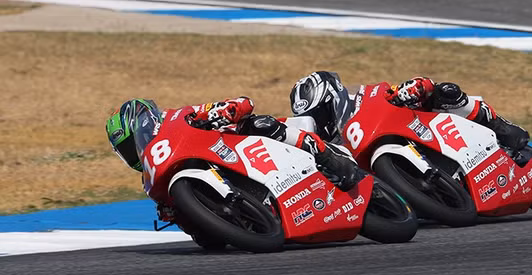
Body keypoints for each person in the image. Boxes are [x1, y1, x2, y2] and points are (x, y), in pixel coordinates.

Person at [105, 96, 363, 198]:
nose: (134, 152)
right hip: (220, 169)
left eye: (132, 143)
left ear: (145, 122)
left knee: (261, 124)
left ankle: (327, 157)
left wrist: (227, 109)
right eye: (126, 150)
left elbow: (239, 103)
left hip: (238, 143)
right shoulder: (151, 176)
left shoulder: (178, 116)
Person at [288, 71, 530, 152]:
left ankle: (497, 125)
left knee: (444, 91)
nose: (319, 122)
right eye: (312, 118)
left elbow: (396, 91)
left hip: (418, 127)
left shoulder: (363, 97)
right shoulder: (324, 143)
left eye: (320, 113)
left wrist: (409, 90)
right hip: (385, 172)